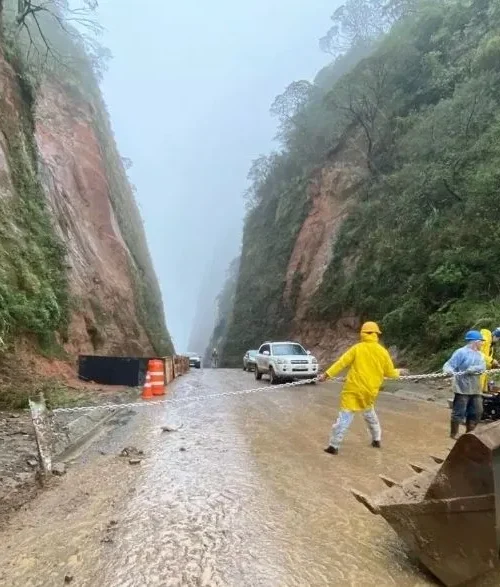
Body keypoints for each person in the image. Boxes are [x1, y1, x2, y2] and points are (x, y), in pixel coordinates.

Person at [318, 321, 408, 455]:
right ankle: (376, 439)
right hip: (369, 392)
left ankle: (334, 446)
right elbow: (390, 373)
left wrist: (327, 374)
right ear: (377, 334)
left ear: (362, 333)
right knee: (370, 415)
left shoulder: (357, 348)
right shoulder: (382, 352)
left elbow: (341, 363)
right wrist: (399, 371)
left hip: (353, 389)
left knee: (345, 418)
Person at [443, 330, 486, 438]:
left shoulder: (480, 355)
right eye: (481, 341)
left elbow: (482, 367)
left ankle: (469, 434)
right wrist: (448, 371)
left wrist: (474, 369)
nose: (482, 344)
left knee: (477, 411)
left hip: (475, 388)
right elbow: (449, 364)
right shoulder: (461, 352)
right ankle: (454, 434)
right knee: (459, 412)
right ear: (475, 342)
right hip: (462, 387)